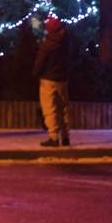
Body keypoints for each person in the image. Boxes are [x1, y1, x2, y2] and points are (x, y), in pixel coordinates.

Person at [33, 13, 71, 148]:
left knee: (50, 109)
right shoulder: (65, 42)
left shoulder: (47, 44)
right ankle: (65, 136)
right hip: (63, 79)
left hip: (48, 79)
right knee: (63, 108)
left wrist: (36, 73)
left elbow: (39, 63)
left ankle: (53, 137)